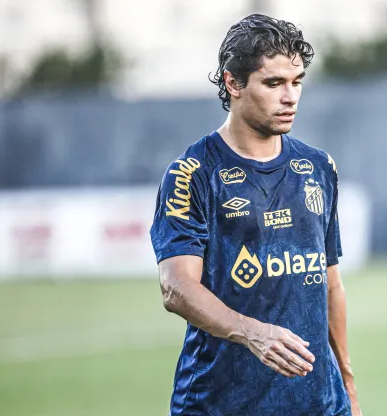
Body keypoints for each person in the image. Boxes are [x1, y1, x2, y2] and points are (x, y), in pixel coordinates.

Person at [149, 13, 361, 416]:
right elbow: (175, 287)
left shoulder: (319, 168)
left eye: (297, 81)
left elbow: (331, 284)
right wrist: (252, 333)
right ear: (233, 83)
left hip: (319, 405)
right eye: (274, 83)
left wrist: (348, 389)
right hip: (220, 403)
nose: (291, 96)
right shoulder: (192, 173)